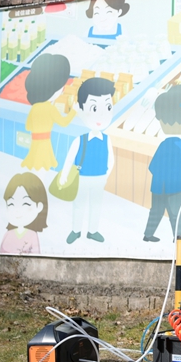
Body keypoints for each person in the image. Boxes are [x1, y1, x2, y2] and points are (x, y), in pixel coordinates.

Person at [143, 85, 181, 242]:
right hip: (175, 189)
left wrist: (160, 177)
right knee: (177, 214)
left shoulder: (163, 144)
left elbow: (152, 166)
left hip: (158, 187)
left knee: (156, 211)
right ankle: (177, 238)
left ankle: (148, 235)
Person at [59, 77, 115, 244]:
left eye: (108, 107)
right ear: (82, 109)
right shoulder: (80, 139)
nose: (101, 115)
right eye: (94, 108)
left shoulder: (107, 139)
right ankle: (76, 231)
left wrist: (106, 176)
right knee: (79, 204)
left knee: (96, 206)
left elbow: (111, 160)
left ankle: (92, 231)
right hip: (82, 178)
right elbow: (69, 159)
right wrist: (64, 175)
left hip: (99, 178)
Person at [21, 53, 76, 171]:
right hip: (45, 142)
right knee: (45, 165)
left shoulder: (34, 108)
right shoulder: (50, 108)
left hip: (35, 142)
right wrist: (74, 111)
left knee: (34, 162)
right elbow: (64, 123)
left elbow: (28, 126)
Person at [0, 172, 49, 255]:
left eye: (26, 203)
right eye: (11, 204)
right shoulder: (8, 234)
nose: (17, 210)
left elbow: (36, 255)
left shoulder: (32, 235)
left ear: (39, 206)